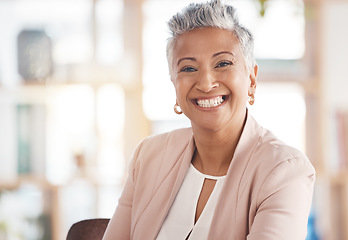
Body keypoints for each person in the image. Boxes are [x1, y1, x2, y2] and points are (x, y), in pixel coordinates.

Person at [102, 0, 315, 239]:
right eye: (188, 68)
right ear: (174, 84)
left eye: (223, 63)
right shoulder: (148, 157)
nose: (205, 83)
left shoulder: (285, 170)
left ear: (251, 80)